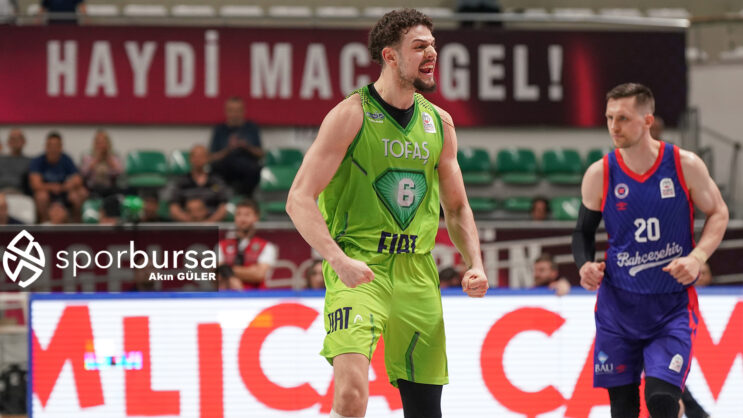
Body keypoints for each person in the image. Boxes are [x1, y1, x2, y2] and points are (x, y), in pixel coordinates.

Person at [286, 9, 488, 418]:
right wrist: (337, 259)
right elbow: (298, 198)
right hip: (361, 267)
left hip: (417, 272)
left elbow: (456, 206)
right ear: (390, 56)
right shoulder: (351, 114)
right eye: (419, 46)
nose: (432, 53)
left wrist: (476, 263)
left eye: (433, 45)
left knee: (425, 408)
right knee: (350, 396)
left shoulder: (440, 123)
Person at [572, 83, 728, 418]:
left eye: (623, 118)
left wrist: (697, 257)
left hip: (670, 308)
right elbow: (583, 232)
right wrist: (584, 265)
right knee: (623, 409)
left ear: (647, 120)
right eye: (609, 118)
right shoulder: (600, 173)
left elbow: (719, 212)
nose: (614, 126)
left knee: (662, 400)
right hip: (618, 309)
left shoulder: (684, 164)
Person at [209, 96, 264, 197]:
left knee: (255, 169)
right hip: (225, 169)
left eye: (238, 110)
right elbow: (212, 157)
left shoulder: (252, 128)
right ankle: (223, 197)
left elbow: (261, 154)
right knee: (215, 169)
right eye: (231, 110)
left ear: (243, 111)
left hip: (247, 170)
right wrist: (228, 149)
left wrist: (246, 146)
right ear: (226, 111)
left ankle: (246, 198)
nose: (235, 114)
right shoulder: (219, 129)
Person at [217, 199, 277, 290]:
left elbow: (259, 274)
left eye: (247, 215)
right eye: (238, 214)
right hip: (227, 296)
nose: (242, 219)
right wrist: (249, 271)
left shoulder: (267, 247)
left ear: (256, 217)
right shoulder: (221, 245)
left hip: (257, 296)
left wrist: (227, 271)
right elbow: (216, 275)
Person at [29, 132, 88, 223]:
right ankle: (46, 223)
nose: (53, 149)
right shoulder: (38, 161)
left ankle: (77, 223)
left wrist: (67, 186)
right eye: (50, 146)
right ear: (46, 146)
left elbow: (78, 179)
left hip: (64, 193)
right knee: (41, 196)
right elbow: (35, 184)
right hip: (48, 194)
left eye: (56, 146)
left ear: (61, 147)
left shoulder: (66, 159)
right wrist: (52, 187)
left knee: (82, 193)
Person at [166, 144, 229, 223]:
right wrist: (191, 224)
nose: (198, 159)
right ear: (190, 159)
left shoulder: (216, 181)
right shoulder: (180, 182)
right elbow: (174, 208)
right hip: (186, 225)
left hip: (212, 225)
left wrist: (208, 223)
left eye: (201, 156)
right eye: (195, 156)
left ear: (207, 158)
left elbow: (223, 207)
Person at [79, 130, 123, 198]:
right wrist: (96, 160)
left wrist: (109, 161)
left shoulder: (113, 157)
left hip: (110, 188)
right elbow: (83, 174)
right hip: (92, 188)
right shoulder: (88, 157)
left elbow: (120, 172)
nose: (101, 146)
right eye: (98, 143)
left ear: (108, 144)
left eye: (103, 143)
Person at [0, 129, 31, 193]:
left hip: (20, 193)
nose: (15, 141)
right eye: (13, 139)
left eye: (18, 139)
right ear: (8, 142)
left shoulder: (30, 162)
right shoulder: (1, 159)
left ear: (24, 141)